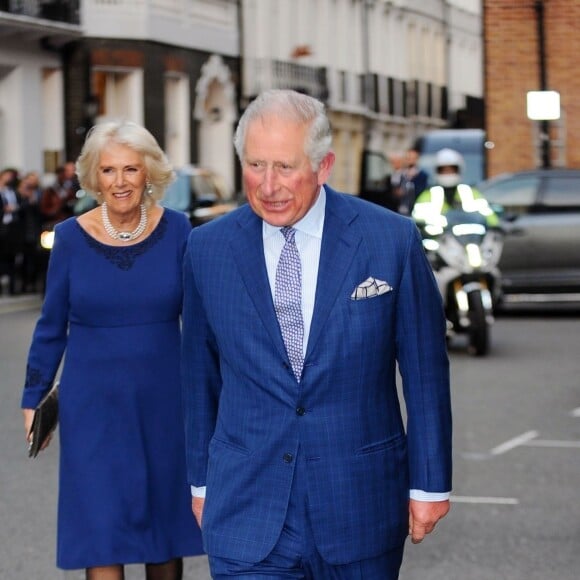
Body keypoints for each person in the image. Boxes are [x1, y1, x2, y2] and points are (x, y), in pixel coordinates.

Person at [181, 89, 452, 579]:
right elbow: (198, 375)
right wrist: (201, 482)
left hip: (360, 501)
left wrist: (430, 484)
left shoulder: (390, 239)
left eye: (285, 167)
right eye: (256, 165)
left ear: (324, 166)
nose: (268, 185)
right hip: (245, 505)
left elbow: (425, 372)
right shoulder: (206, 249)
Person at [21, 120, 203, 579]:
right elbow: (50, 326)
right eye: (108, 170)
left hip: (163, 404)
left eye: (130, 169)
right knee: (101, 531)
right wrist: (33, 399)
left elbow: (204, 324)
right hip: (93, 408)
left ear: (149, 173)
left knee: (163, 534)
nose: (120, 182)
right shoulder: (68, 238)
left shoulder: (181, 232)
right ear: (93, 177)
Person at [412, 147, 499, 228]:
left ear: (459, 170)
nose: (448, 173)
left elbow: (490, 218)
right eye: (444, 170)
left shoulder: (470, 193)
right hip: (438, 240)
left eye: (451, 169)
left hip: (470, 239)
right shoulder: (427, 195)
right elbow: (418, 220)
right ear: (437, 171)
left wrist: (495, 226)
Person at [397, 146, 429, 215]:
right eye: (408, 158)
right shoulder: (401, 174)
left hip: (416, 209)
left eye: (413, 158)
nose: (411, 161)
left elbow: (422, 192)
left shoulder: (422, 175)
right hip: (401, 209)